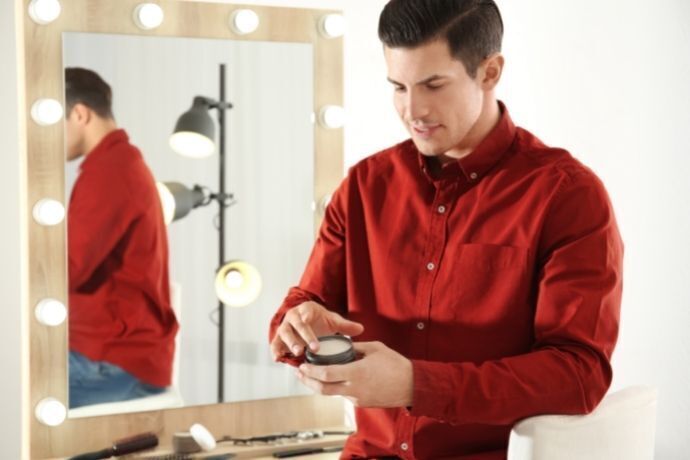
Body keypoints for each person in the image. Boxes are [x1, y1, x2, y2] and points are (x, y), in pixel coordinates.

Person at [269, 1, 624, 458]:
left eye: (433, 85)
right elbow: (306, 303)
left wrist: (418, 384)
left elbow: (578, 375)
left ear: (490, 71)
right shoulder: (362, 187)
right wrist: (296, 324)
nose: (411, 110)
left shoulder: (566, 195)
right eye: (397, 86)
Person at [65, 67, 179, 408]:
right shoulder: (122, 162)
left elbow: (68, 268)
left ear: (79, 113)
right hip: (125, 355)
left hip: (114, 360)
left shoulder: (109, 172)